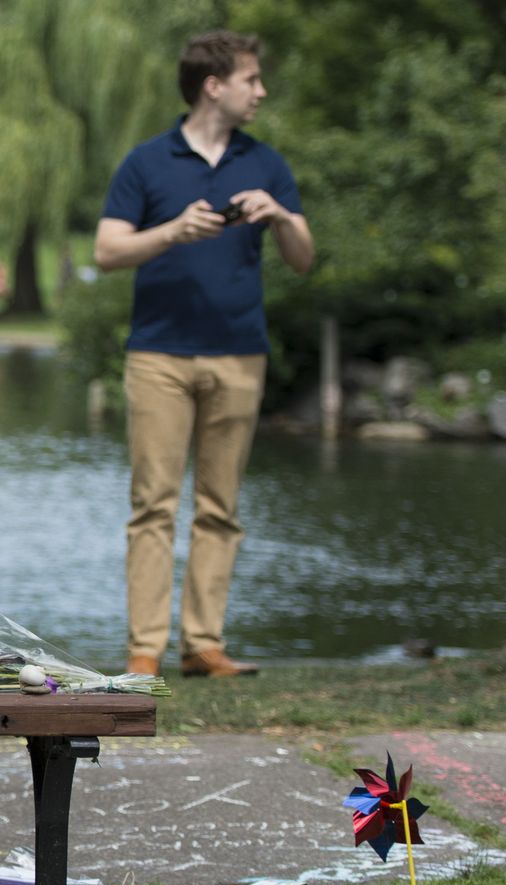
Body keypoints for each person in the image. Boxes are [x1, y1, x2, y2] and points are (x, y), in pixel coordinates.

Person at [94, 30, 313, 678]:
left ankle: (204, 645)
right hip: (158, 357)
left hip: (240, 355)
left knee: (221, 507)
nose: (262, 91)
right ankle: (145, 650)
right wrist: (172, 231)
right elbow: (107, 252)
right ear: (214, 86)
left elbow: (303, 261)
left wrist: (280, 215)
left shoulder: (266, 163)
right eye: (252, 79)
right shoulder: (146, 162)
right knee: (154, 504)